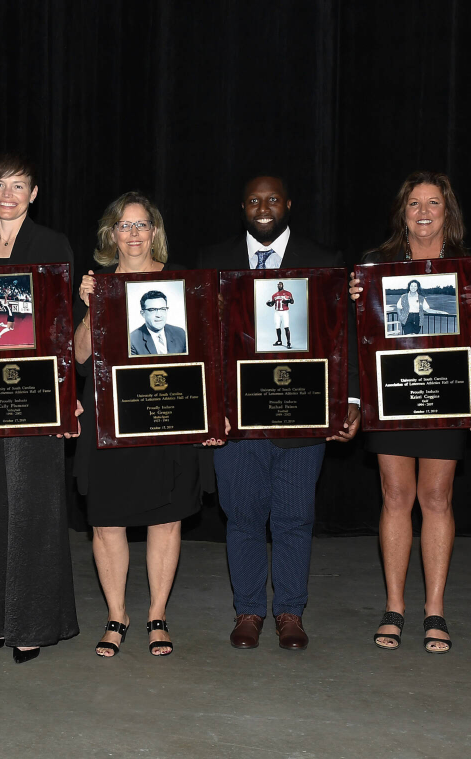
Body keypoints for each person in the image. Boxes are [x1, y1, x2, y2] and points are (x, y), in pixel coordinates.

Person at [196, 175, 360, 651]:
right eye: (253, 200)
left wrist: (349, 401)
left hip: (301, 415)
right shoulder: (212, 260)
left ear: (288, 203)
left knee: (294, 517)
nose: (263, 207)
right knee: (243, 516)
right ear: (241, 206)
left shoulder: (324, 260)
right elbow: (204, 340)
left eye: (272, 199)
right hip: (236, 420)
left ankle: (291, 611)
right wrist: (210, 405)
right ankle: (247, 610)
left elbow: (343, 334)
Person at [349, 171, 471, 654]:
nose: (424, 212)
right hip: (393, 396)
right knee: (395, 496)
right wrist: (354, 301)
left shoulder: (470, 267)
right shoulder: (376, 265)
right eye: (415, 204)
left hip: (447, 393)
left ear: (447, 212)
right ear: (403, 212)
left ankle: (435, 609)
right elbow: (356, 337)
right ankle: (395, 607)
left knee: (436, 499)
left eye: (433, 203)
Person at [73, 192, 221, 657]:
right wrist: (90, 306)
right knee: (107, 522)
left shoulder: (182, 286)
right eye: (124, 225)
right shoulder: (99, 285)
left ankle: (157, 615)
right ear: (110, 234)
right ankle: (118, 616)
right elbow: (78, 357)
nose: (133, 234)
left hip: (167, 419)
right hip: (110, 420)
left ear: (154, 232)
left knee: (167, 517)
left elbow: (205, 357)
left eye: (141, 225)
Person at [0, 153, 80, 664]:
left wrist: (67, 397)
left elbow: (64, 327)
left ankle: (31, 624)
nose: (7, 194)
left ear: (34, 194)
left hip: (37, 396)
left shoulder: (52, 244)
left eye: (19, 186)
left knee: (34, 509)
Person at [128, 289, 187, 355]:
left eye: (162, 309)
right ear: (143, 313)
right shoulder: (132, 340)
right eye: (152, 310)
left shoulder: (180, 333)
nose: (159, 315)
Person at [266, 281, 294, 347]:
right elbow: (272, 304)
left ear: (283, 285)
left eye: (281, 284)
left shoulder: (288, 293)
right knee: (277, 327)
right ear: (277, 286)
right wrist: (268, 304)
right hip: (277, 312)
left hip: (284, 312)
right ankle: (279, 341)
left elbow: (292, 302)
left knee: (286, 327)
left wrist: (288, 301)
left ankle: (288, 342)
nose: (279, 286)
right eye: (278, 285)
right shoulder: (274, 295)